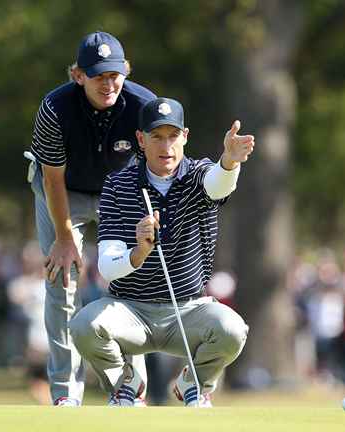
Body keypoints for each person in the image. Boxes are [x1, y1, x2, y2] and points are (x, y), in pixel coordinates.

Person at [68, 97, 254, 407]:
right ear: (141, 139)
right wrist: (138, 252)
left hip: (188, 309)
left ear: (185, 137)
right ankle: (126, 384)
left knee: (232, 329)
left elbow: (218, 186)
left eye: (172, 135)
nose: (165, 145)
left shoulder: (198, 174)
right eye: (156, 136)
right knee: (84, 326)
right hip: (131, 310)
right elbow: (108, 266)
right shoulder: (118, 184)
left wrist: (230, 162)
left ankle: (192, 384)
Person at [27, 31, 156, 406]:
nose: (109, 83)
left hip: (118, 191)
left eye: (115, 74)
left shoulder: (142, 105)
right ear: (78, 76)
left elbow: (160, 167)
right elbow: (52, 178)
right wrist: (64, 238)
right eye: (99, 75)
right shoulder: (55, 108)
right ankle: (66, 395)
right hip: (63, 191)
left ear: (125, 73)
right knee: (62, 281)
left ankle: (130, 389)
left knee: (131, 278)